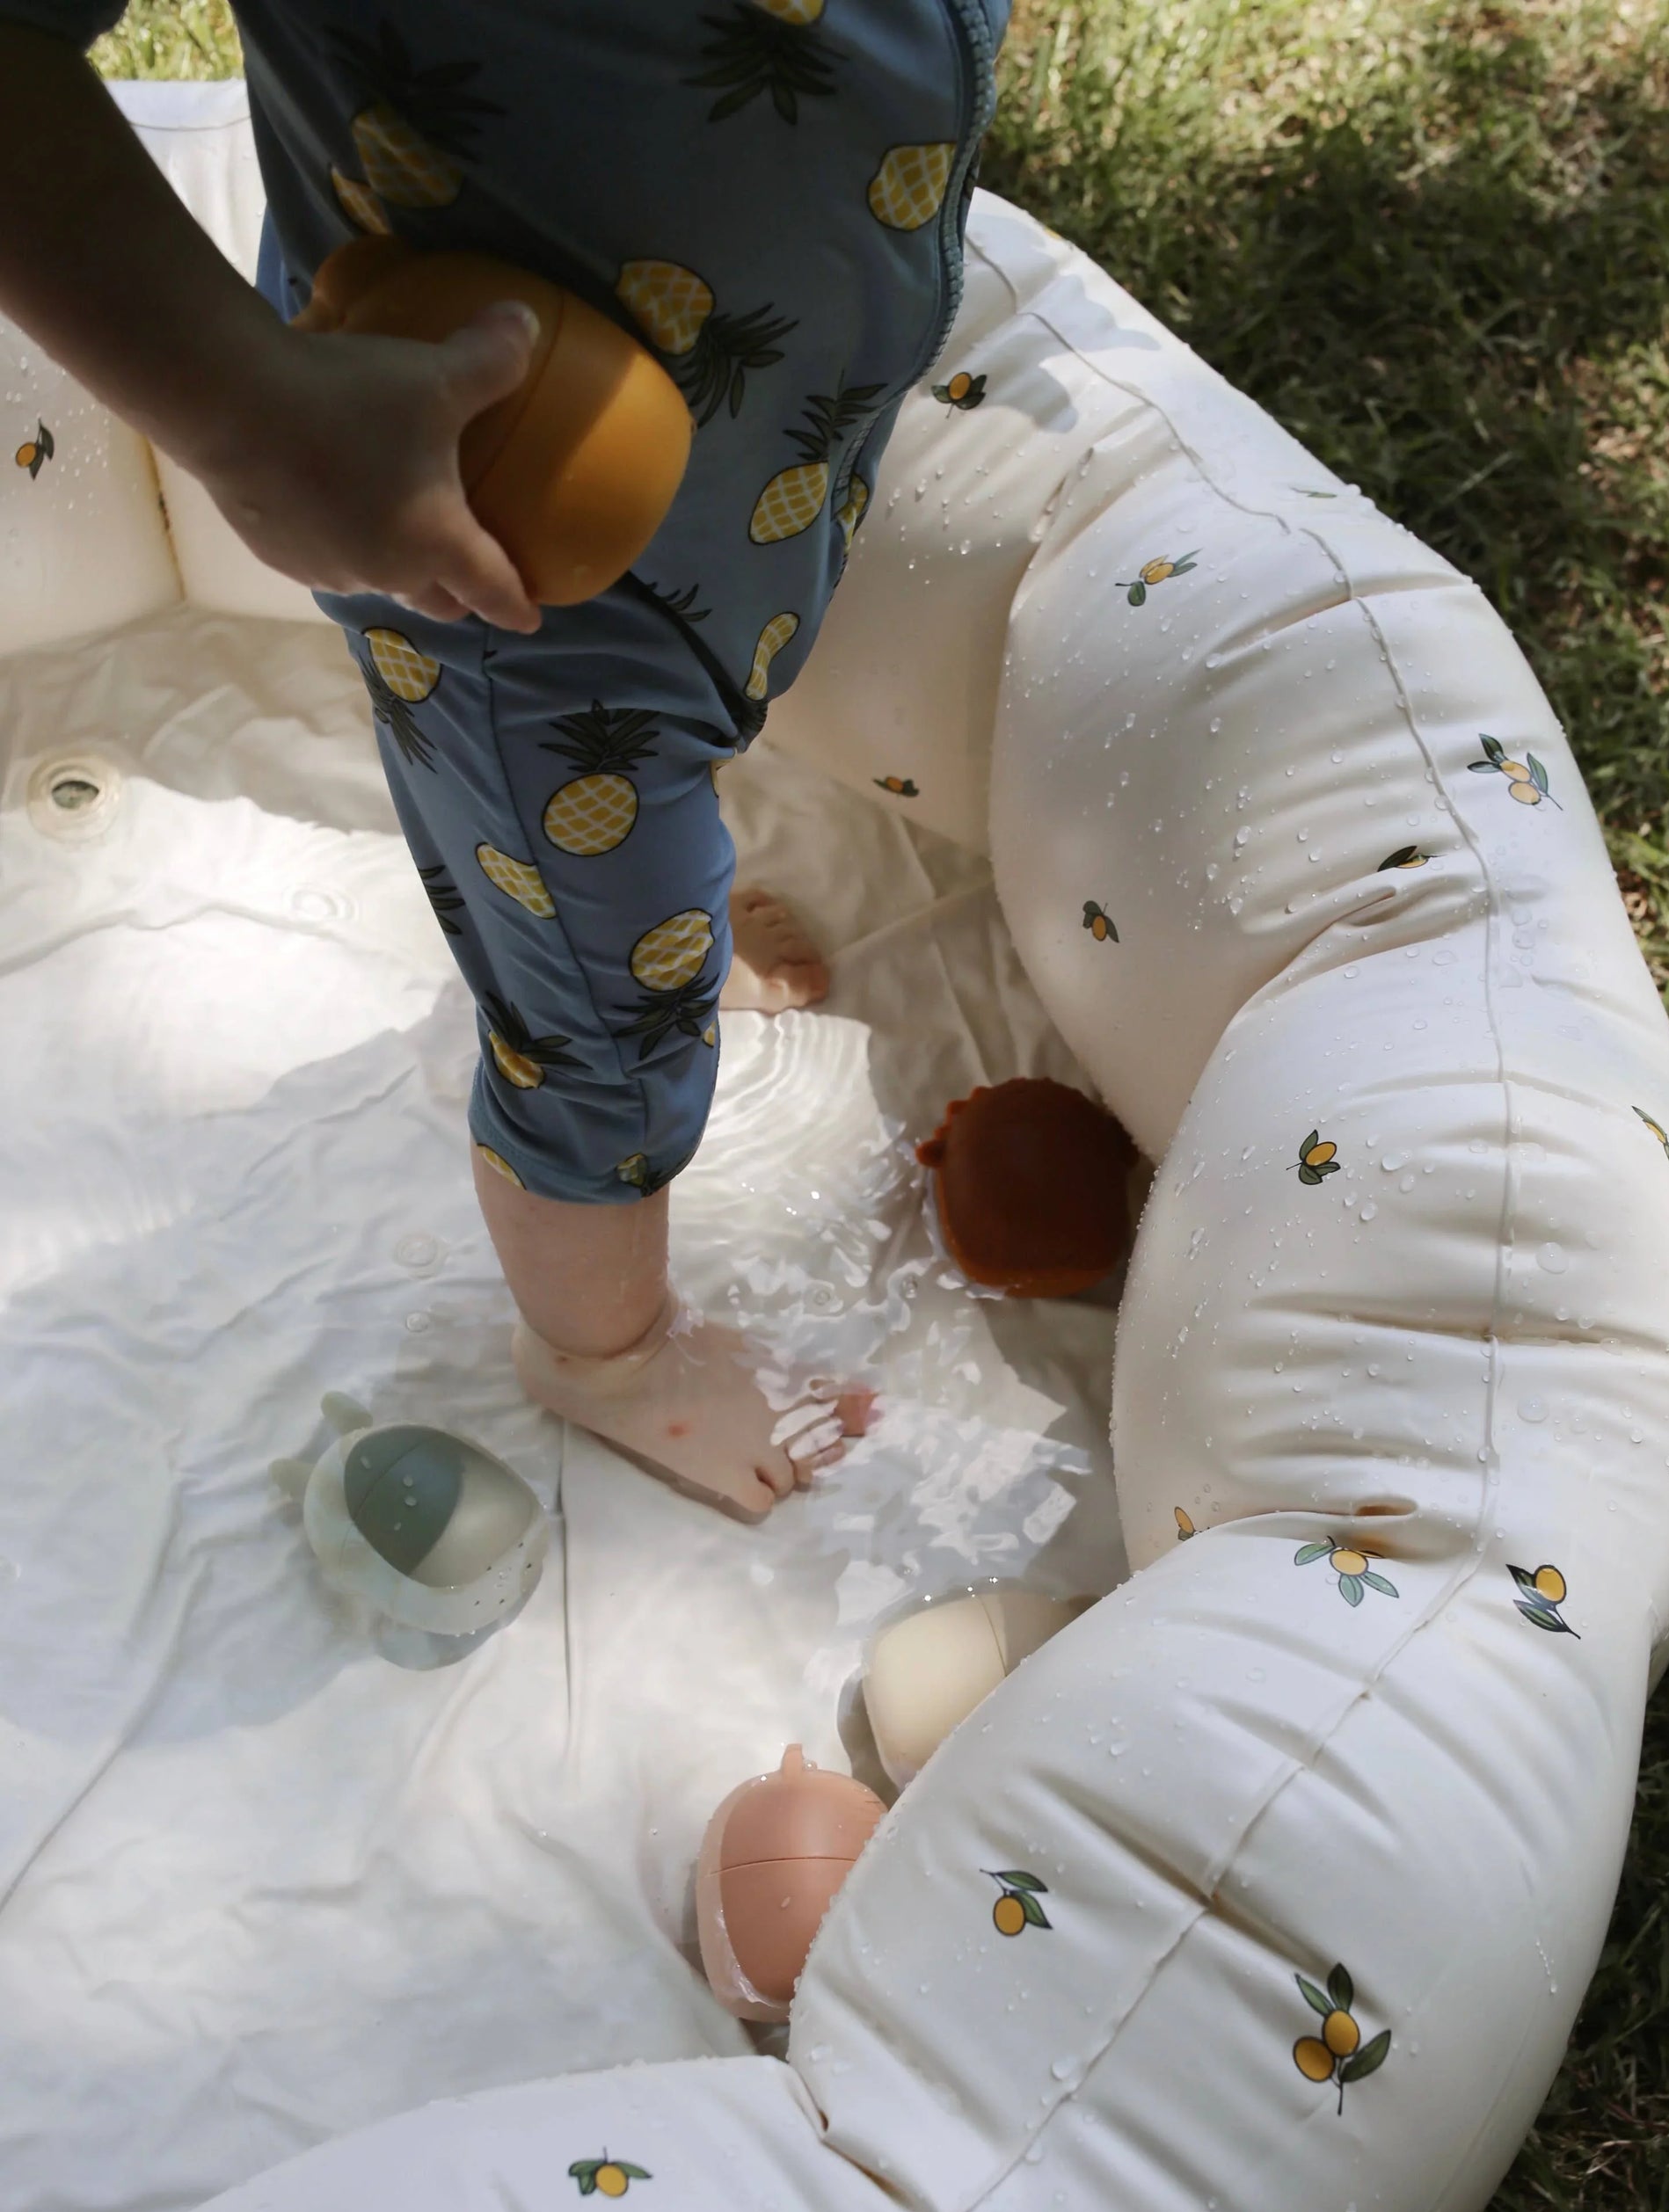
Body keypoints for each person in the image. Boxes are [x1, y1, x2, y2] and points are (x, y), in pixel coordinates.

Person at [0, 0, 1007, 1517]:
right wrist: (238, 411)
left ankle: (640, 916)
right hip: (490, 541)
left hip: (756, 437)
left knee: (668, 771)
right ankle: (606, 1353)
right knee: (599, 1014)